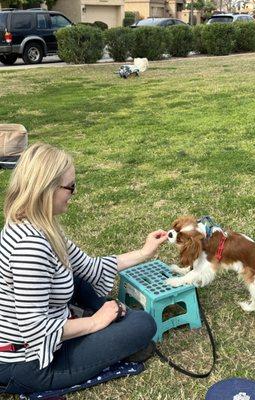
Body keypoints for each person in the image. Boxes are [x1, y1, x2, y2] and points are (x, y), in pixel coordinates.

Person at [0, 142, 168, 395]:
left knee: (78, 280)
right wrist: (96, 322)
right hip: (30, 362)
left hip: (42, 332)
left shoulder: (39, 226)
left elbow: (90, 267)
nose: (74, 193)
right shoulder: (30, 247)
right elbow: (36, 329)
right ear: (47, 189)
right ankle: (107, 321)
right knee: (143, 325)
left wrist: (145, 251)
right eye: (71, 186)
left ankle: (105, 316)